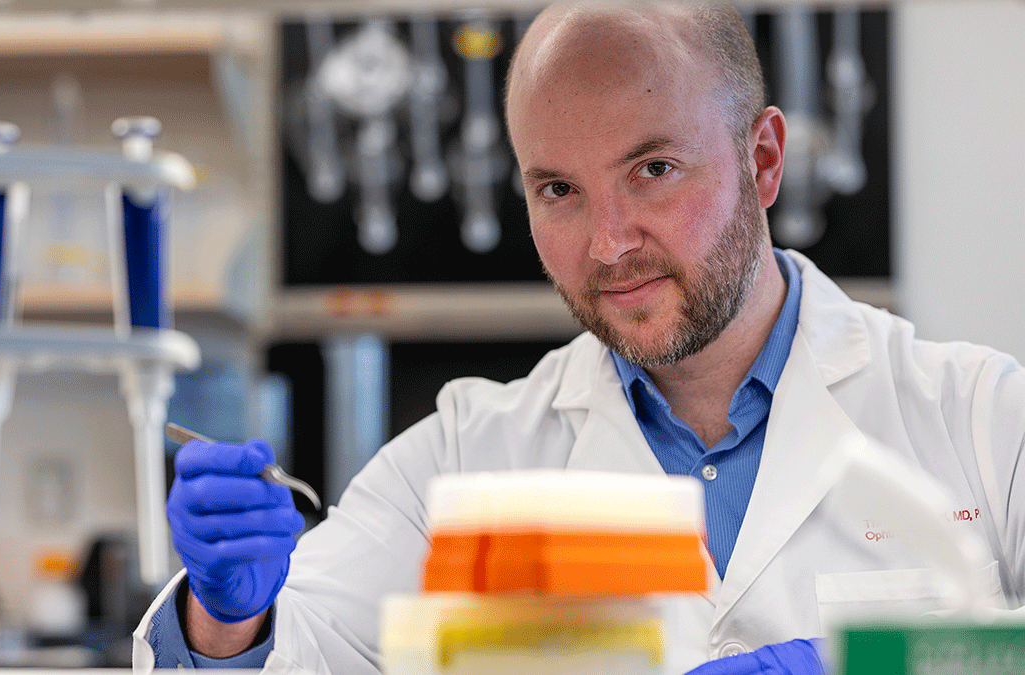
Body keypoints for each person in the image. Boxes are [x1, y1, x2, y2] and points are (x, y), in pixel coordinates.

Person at [133, 2, 1025, 673]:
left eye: (655, 169)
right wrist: (227, 622)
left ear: (762, 161)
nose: (609, 244)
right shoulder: (459, 461)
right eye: (558, 189)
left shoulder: (984, 420)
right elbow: (310, 645)